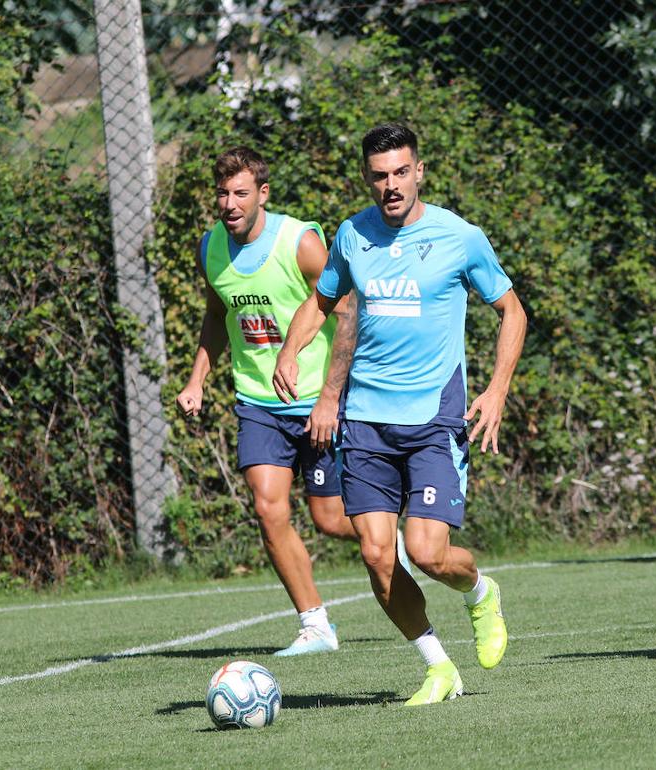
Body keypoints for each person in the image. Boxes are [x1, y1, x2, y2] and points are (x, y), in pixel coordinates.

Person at [274, 123, 528, 703]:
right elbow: (323, 301)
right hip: (364, 422)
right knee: (375, 555)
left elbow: (512, 311)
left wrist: (496, 390)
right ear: (368, 178)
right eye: (378, 175)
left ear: (419, 172)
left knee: (428, 553)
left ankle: (480, 592)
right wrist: (292, 347)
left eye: (399, 173)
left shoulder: (460, 237)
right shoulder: (351, 234)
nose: (389, 185)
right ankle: (438, 667)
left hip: (434, 420)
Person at [176, 146, 359, 657]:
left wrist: (328, 397)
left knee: (329, 519)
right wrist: (197, 381)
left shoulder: (299, 243)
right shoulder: (210, 247)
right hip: (258, 402)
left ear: (262, 194)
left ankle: (391, 542)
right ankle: (315, 625)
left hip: (316, 402)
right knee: (267, 508)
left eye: (240, 193)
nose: (229, 203)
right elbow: (218, 314)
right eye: (221, 193)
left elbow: (347, 311)